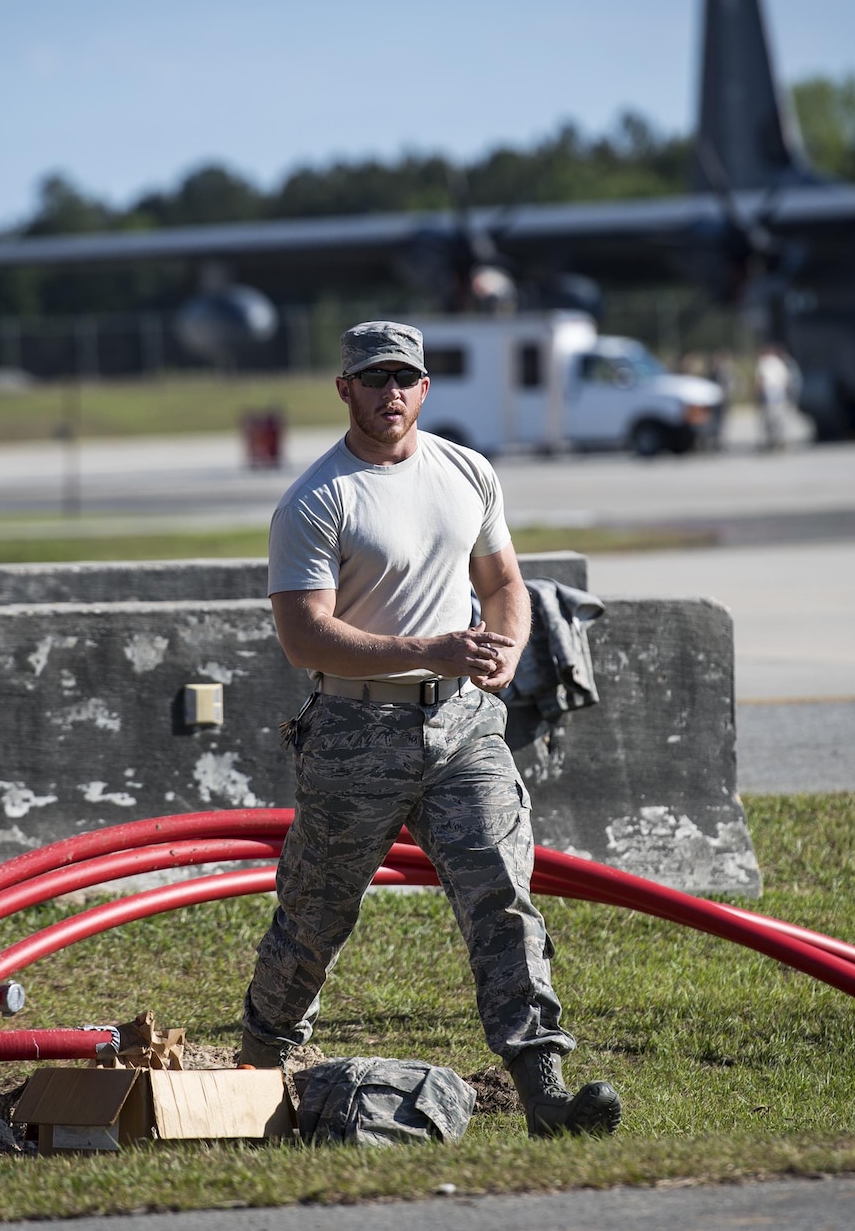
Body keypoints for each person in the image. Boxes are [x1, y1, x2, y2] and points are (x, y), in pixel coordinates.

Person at [238, 320, 622, 1139]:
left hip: (464, 726)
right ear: (344, 388)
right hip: (353, 730)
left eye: (405, 378)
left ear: (424, 387)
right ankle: (257, 1064)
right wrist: (430, 647)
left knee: (501, 892)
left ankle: (543, 1085)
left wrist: (508, 647)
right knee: (314, 912)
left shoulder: (466, 471)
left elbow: (505, 582)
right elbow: (303, 636)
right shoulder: (316, 498)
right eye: (373, 379)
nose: (391, 394)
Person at [754, 345, 798, 452]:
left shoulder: (764, 363)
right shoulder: (779, 363)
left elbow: (760, 381)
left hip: (770, 392)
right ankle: (779, 440)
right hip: (779, 392)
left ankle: (773, 441)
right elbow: (787, 380)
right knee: (779, 418)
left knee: (770, 419)